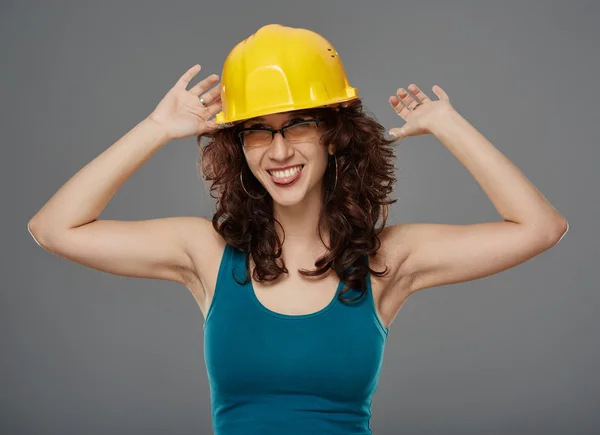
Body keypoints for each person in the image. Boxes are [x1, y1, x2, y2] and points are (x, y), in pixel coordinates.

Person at [28, 24, 568, 435]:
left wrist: (449, 124)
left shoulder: (387, 261)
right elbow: (54, 227)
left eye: (298, 125)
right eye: (259, 132)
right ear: (238, 147)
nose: (280, 151)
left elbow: (540, 227)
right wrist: (155, 129)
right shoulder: (205, 253)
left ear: (333, 135)